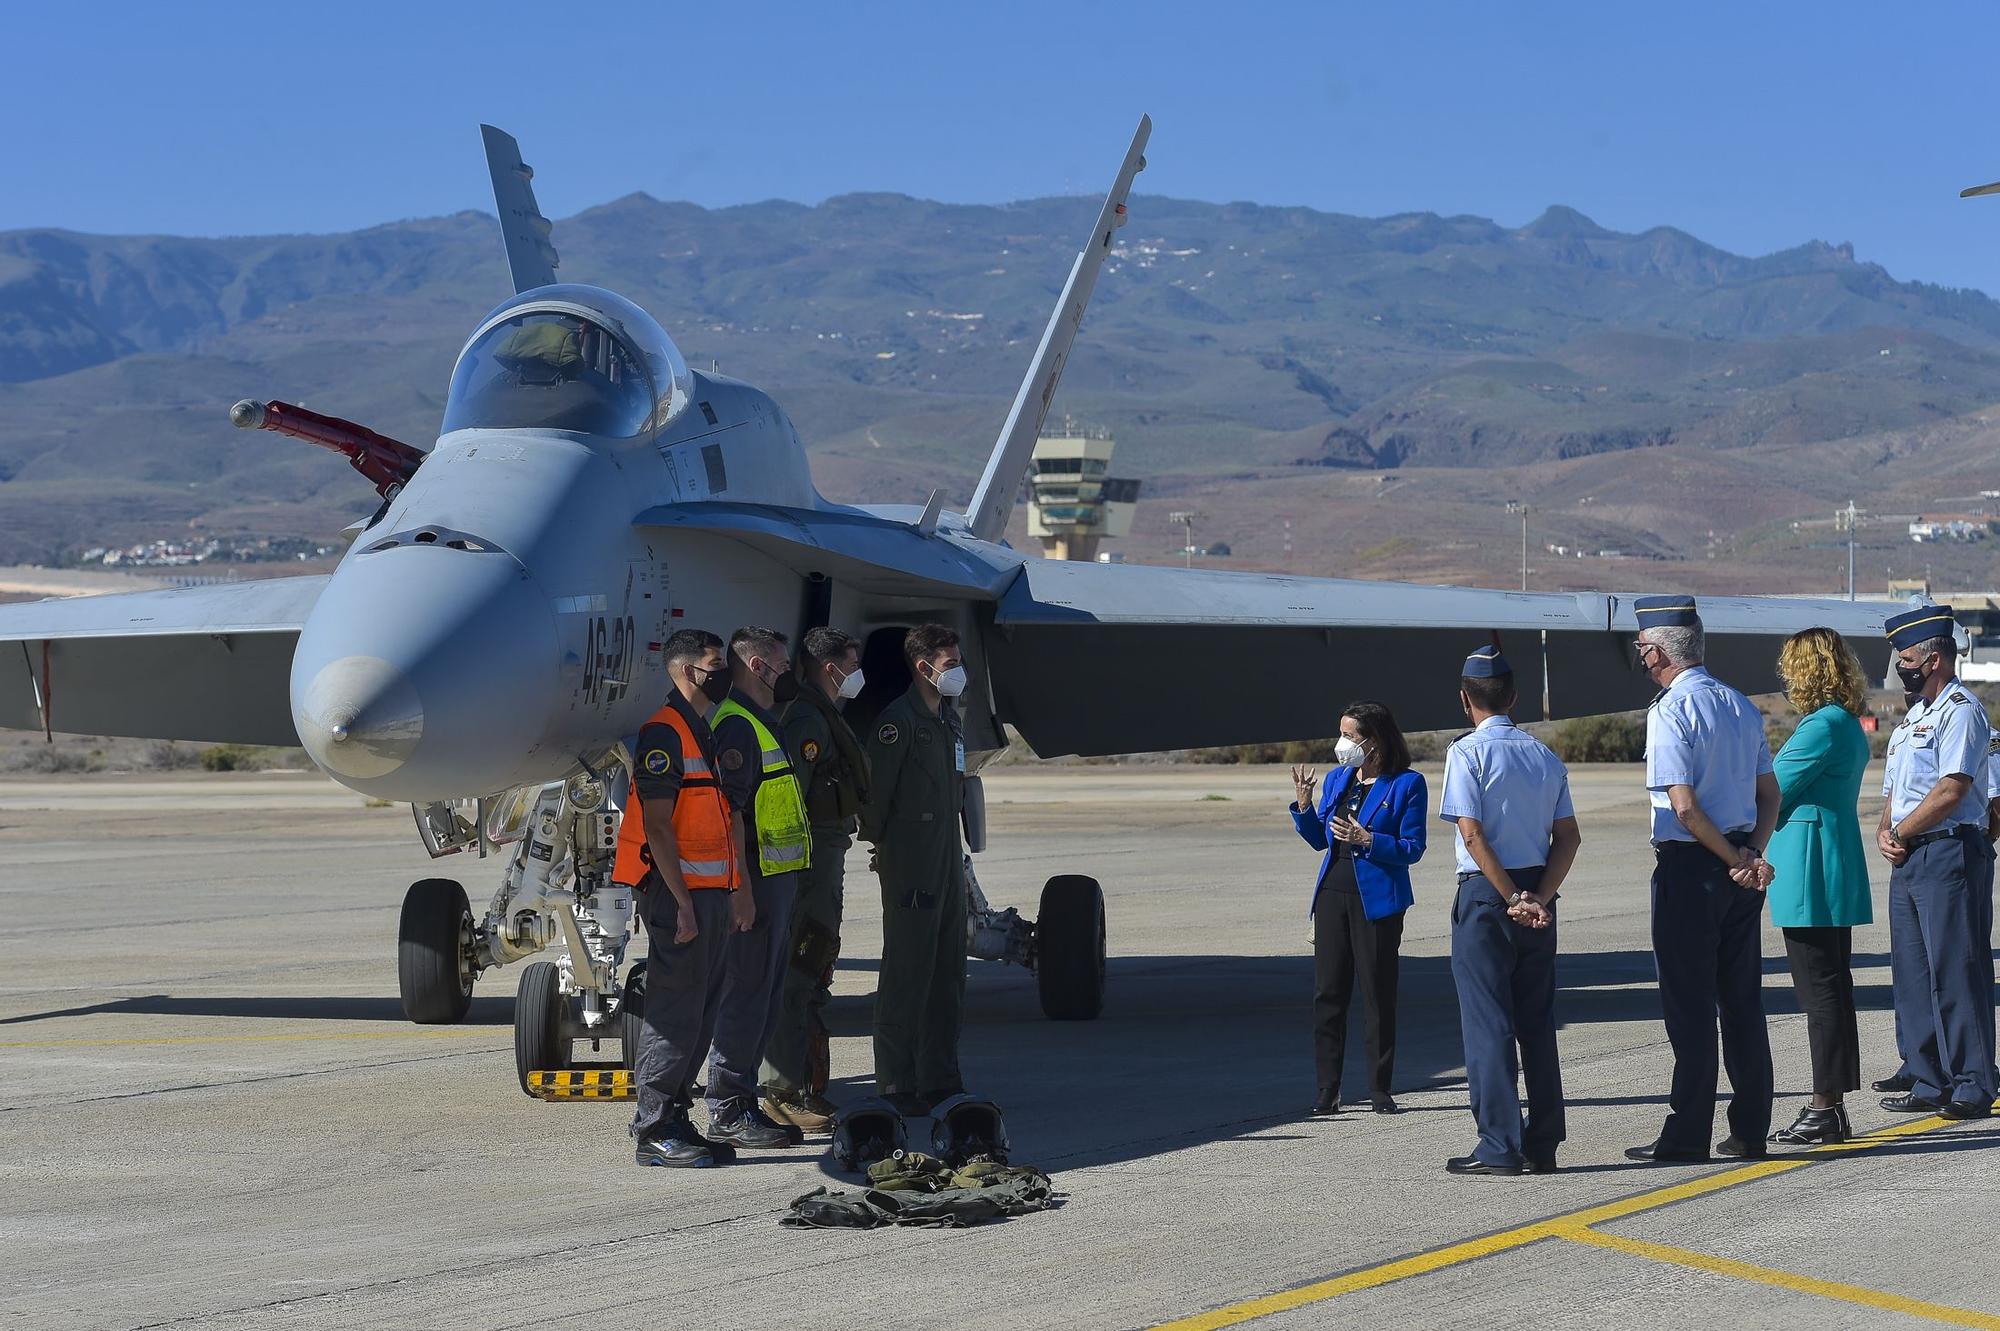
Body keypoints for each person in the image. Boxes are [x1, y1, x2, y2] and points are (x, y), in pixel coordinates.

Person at [1625, 595, 1780, 1164]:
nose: (1642, 659)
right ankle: (1750, 1129)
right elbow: (1771, 794)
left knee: (1689, 1007)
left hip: (1694, 866)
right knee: (1741, 1001)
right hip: (1737, 859)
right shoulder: (1740, 705)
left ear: (1659, 652)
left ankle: (1688, 1133)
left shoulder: (1670, 711)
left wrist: (1730, 857)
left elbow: (1684, 808)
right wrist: (1750, 852)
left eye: (1642, 650)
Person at [1438, 645, 1581, 1176]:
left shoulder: (1467, 753)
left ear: (1464, 700)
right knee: (1536, 1023)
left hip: (1488, 895)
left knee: (1488, 1023)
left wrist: (1510, 898)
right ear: (1515, 698)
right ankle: (1543, 1142)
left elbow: (1471, 834)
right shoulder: (1543, 756)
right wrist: (1538, 897)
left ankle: (1499, 1144)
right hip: (1538, 895)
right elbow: (1568, 836)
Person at [616, 629, 754, 1168]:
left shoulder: (703, 731)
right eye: (713, 665)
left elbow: (719, 821)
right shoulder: (663, 733)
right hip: (679, 897)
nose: (722, 674)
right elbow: (657, 826)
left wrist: (735, 888)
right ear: (683, 672)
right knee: (675, 1013)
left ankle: (675, 1115)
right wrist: (684, 904)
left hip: (709, 893)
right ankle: (653, 1128)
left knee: (702, 1010)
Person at [1875, 605, 1997, 1120]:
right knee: (1912, 970)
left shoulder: (1960, 711)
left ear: (1935, 660)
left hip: (1948, 850)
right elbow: (1895, 791)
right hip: (1911, 854)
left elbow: (1952, 788)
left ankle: (1973, 1079)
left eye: (1907, 659)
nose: (1901, 668)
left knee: (1957, 968)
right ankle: (1928, 1078)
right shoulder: (1914, 719)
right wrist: (1886, 829)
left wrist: (1901, 830)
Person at [703, 626, 813, 1148]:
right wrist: (740, 890)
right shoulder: (737, 726)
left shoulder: (763, 723)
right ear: (754, 666)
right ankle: (726, 1107)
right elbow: (728, 815)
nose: (788, 673)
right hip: (754, 884)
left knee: (764, 996)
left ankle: (742, 1100)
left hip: (775, 880)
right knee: (745, 995)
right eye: (781, 664)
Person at [760, 627, 873, 1134]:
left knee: (814, 964)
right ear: (832, 668)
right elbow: (794, 799)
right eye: (852, 663)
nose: (857, 673)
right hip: (810, 864)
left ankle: (800, 1086)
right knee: (800, 969)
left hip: (824, 856)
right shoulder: (808, 718)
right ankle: (780, 1093)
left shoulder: (821, 713)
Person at [1291, 700, 1428, 1117]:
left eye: (1350, 736)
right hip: (1333, 890)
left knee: (1377, 992)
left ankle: (1379, 1088)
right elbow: (1320, 840)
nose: (1342, 743)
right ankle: (1327, 1089)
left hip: (1377, 898)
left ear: (1375, 740)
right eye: (1343, 733)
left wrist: (1369, 840)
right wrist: (1303, 807)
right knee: (1328, 993)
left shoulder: (1407, 784)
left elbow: (1413, 848)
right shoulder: (1338, 779)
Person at [1763, 627, 1873, 1146]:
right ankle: (1832, 1102)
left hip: (1810, 866)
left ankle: (1824, 1105)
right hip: (1831, 859)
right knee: (1833, 987)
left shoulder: (1819, 727)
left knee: (1819, 992)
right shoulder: (1845, 723)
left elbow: (1773, 790)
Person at [861, 623, 971, 1116]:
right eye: (950, 665)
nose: (958, 672)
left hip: (946, 859)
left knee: (947, 970)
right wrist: (887, 853)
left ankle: (940, 1075)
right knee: (907, 971)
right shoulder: (896, 723)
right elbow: (876, 799)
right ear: (923, 667)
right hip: (911, 862)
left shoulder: (949, 720)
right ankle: (896, 1081)